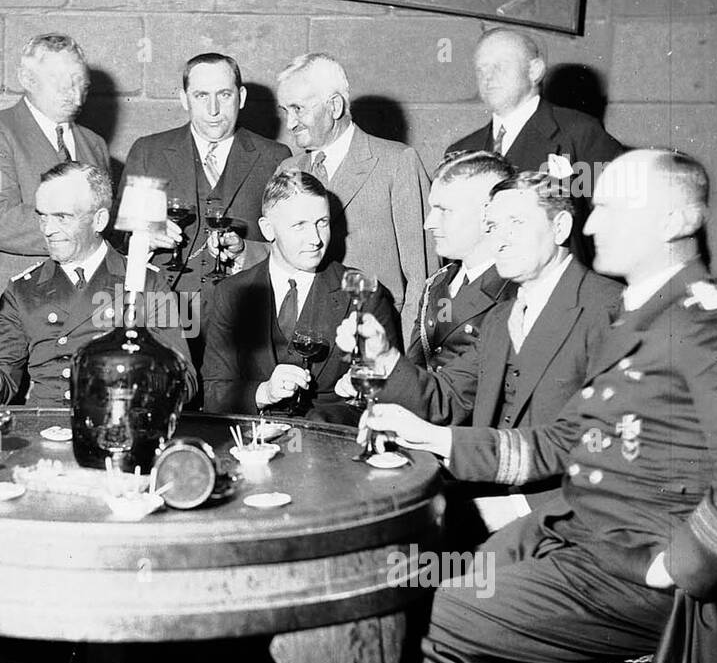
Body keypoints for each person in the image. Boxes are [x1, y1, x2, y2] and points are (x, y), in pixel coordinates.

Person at [367, 150, 717, 663]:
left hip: (636, 570)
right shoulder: (640, 313)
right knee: (448, 574)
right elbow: (561, 441)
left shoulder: (704, 322)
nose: (590, 224)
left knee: (449, 616)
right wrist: (437, 438)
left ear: (673, 219)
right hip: (582, 532)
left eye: (613, 207)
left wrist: (678, 563)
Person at [343, 171, 621, 532]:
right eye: (491, 226)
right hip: (490, 485)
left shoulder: (609, 308)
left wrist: (520, 508)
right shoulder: (503, 317)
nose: (499, 241)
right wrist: (383, 357)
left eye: (515, 224)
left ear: (561, 227)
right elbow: (446, 399)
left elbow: (609, 452)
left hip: (565, 511)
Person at [0, 158, 197, 408]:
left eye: (61, 217)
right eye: (43, 216)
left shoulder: (147, 282)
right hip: (44, 430)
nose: (47, 229)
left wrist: (129, 376)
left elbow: (186, 382)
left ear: (99, 220)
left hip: (116, 423)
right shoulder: (22, 291)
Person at [120, 52, 290, 381]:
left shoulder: (274, 157)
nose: (213, 110)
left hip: (243, 322)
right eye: (201, 96)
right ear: (184, 99)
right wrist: (144, 238)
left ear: (240, 97)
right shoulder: (149, 152)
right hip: (164, 317)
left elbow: (290, 248)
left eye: (224, 95)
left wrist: (245, 249)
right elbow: (120, 246)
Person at [204, 170, 401, 417]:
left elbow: (391, 393)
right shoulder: (231, 293)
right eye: (300, 225)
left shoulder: (363, 292)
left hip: (332, 441)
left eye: (323, 223)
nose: (316, 239)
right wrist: (263, 393)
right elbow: (214, 392)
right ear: (268, 229)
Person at [275, 52, 436, 341]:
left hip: (373, 341)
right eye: (285, 111)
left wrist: (404, 359)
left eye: (298, 109)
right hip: (304, 344)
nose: (290, 123)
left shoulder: (397, 162)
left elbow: (423, 276)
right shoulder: (287, 170)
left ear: (335, 106)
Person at [0, 33, 111, 323]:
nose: (76, 97)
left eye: (83, 85)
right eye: (63, 84)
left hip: (83, 311)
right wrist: (85, 226)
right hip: (10, 311)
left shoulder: (95, 145)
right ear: (26, 79)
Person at [447, 28, 623, 175]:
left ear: (534, 71)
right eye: (481, 69)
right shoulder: (460, 152)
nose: (488, 77)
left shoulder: (581, 135)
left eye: (500, 66)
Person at [407, 151, 516, 374]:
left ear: (489, 215)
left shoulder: (514, 294)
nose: (428, 223)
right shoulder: (438, 283)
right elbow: (415, 371)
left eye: (444, 210)